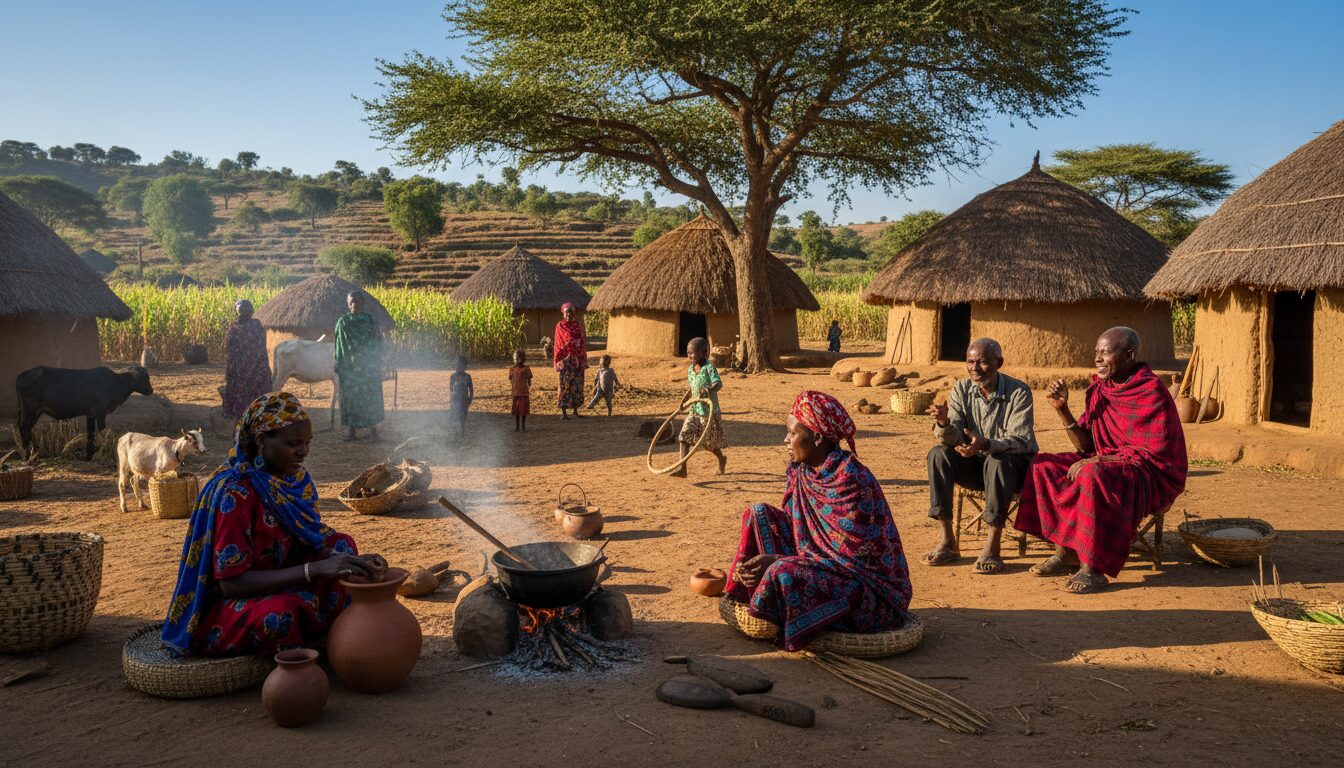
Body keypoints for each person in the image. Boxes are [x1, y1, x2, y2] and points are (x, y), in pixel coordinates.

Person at [161, 392, 387, 657]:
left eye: (307, 443)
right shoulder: (234, 494)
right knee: (280, 614)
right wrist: (313, 569)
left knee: (342, 544)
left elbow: (306, 543)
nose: (303, 452)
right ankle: (301, 661)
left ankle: (335, 640)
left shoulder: (294, 481)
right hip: (231, 604)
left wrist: (347, 560)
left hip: (281, 579)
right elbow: (231, 585)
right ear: (261, 441)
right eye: (293, 443)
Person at [726, 391, 912, 651]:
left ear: (817, 437)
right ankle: (753, 587)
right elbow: (795, 528)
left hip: (865, 592)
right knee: (758, 515)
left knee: (783, 572)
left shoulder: (852, 480)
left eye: (792, 433)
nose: (786, 440)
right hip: (816, 563)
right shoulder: (800, 470)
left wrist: (780, 561)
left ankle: (783, 605)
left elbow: (848, 564)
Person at [1015, 327, 1187, 594]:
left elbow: (1155, 454)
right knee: (1043, 466)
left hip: (1147, 474)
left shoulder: (1151, 391)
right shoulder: (1100, 389)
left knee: (1092, 474)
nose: (1098, 359)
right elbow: (1085, 444)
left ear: (1129, 355)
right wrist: (1063, 410)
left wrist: (1101, 460)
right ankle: (1066, 551)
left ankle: (1092, 567)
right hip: (1105, 463)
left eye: (1105, 353)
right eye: (1096, 352)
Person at [923, 338, 1037, 574]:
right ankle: (948, 542)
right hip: (975, 466)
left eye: (983, 362)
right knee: (938, 454)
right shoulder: (961, 390)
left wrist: (986, 444)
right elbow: (954, 437)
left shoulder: (1018, 392)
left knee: (997, 459)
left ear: (999, 363)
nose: (975, 368)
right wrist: (943, 423)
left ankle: (992, 546)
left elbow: (1021, 441)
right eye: (970, 361)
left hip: (1011, 470)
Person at [671, 337, 726, 477]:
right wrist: (683, 402)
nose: (690, 356)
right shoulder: (690, 369)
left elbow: (718, 383)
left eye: (692, 353)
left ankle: (721, 459)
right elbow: (692, 388)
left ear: (702, 353)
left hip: (709, 412)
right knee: (684, 436)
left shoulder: (709, 367)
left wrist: (708, 389)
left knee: (709, 443)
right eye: (688, 353)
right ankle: (683, 469)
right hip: (695, 410)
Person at [333, 290, 385, 441]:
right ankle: (352, 431)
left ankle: (373, 431)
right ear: (347, 304)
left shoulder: (370, 321)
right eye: (351, 302)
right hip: (351, 370)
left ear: (363, 303)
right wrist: (338, 363)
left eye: (357, 301)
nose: (354, 304)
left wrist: (377, 360)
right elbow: (338, 345)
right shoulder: (343, 322)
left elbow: (377, 341)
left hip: (366, 368)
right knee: (351, 399)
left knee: (369, 397)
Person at [222, 299, 271, 417]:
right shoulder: (257, 325)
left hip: (241, 367)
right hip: (258, 366)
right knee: (258, 385)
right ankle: (258, 409)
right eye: (241, 310)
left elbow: (226, 346)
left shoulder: (235, 328)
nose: (242, 313)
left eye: (242, 310)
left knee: (238, 385)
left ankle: (237, 410)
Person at [553, 302, 588, 419]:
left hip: (576, 361)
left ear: (574, 313)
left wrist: (579, 356)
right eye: (566, 312)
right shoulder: (560, 326)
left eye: (571, 312)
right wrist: (566, 353)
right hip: (565, 361)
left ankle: (575, 411)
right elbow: (559, 343)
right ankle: (564, 413)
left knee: (577, 385)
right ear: (563, 313)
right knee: (565, 385)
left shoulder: (578, 326)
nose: (569, 314)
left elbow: (582, 341)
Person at [448, 356, 474, 440]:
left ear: (464, 367)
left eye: (459, 366)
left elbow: (471, 388)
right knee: (454, 417)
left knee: (462, 419)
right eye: (455, 365)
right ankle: (455, 434)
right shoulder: (453, 376)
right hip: (455, 401)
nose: (457, 368)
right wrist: (452, 399)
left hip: (464, 401)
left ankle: (462, 434)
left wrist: (470, 398)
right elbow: (451, 388)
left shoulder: (467, 377)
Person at [508, 349, 533, 432]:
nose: (517, 360)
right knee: (517, 411)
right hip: (516, 392)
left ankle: (523, 426)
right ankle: (517, 426)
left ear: (523, 359)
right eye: (515, 359)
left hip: (523, 392)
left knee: (523, 411)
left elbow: (529, 379)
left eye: (519, 358)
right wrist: (513, 387)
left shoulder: (526, 369)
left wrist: (529, 384)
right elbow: (511, 379)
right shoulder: (512, 369)